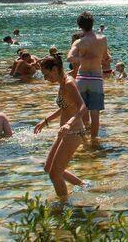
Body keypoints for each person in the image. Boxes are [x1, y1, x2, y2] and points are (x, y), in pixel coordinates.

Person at [34, 54, 87, 200]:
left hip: (74, 132)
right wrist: (45, 121)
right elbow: (65, 107)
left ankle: (64, 205)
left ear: (55, 69)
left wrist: (69, 123)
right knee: (49, 168)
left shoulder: (69, 83)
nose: (45, 78)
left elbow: (83, 107)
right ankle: (83, 185)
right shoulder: (62, 83)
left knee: (55, 174)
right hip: (64, 133)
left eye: (46, 74)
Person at [67, 11, 111, 142]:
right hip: (96, 78)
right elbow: (106, 57)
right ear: (92, 24)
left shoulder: (78, 42)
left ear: (80, 26)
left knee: (82, 111)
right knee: (95, 113)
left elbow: (69, 58)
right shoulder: (102, 39)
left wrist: (82, 58)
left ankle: (83, 140)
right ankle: (94, 140)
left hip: (82, 77)